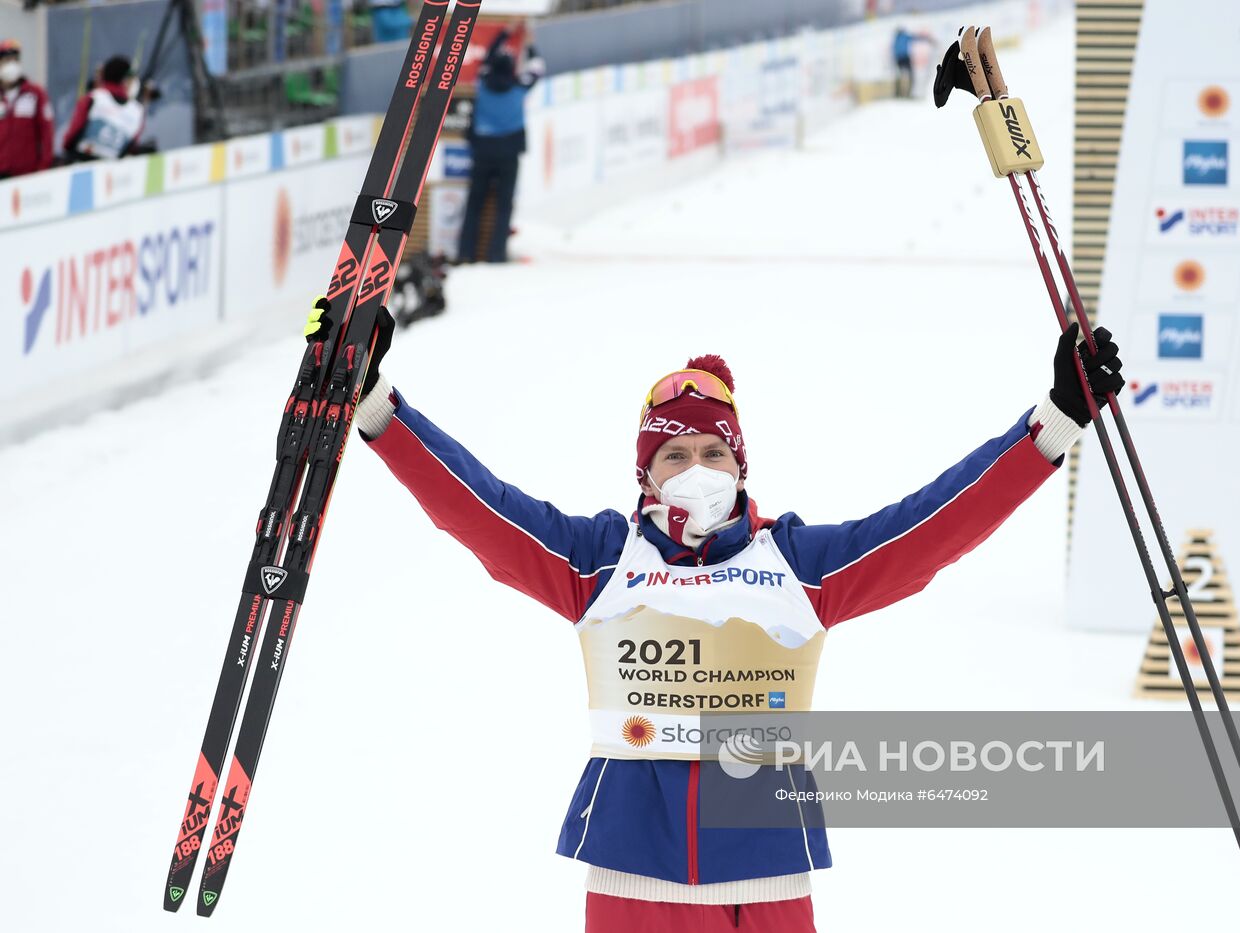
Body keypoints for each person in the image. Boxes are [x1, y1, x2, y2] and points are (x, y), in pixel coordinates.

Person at [303, 296, 1124, 930]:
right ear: (646, 474)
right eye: (674, 454)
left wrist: (1052, 425)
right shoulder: (598, 559)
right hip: (633, 868)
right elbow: (479, 508)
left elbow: (927, 529)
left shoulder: (798, 564)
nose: (696, 469)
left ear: (739, 462)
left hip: (765, 866)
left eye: (712, 453)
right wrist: (375, 403)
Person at [456, 25, 544, 264]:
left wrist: (505, 32)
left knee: (475, 203)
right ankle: (496, 255)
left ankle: (466, 253)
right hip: (509, 153)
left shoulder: (483, 82)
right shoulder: (520, 86)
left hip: (483, 150)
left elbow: (486, 56)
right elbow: (537, 67)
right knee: (504, 206)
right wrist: (530, 43)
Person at [62, 55, 146, 162]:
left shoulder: (93, 98)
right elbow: (131, 146)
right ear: (124, 80)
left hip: (80, 163)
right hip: (111, 169)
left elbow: (71, 136)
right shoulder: (138, 111)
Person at [0, 39, 54, 178]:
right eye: (6, 60)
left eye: (15, 60)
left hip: (27, 175)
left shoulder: (35, 94)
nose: (11, 65)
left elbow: (47, 132)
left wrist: (43, 167)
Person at [891, 27, 933, 99]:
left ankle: (898, 93)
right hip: (905, 58)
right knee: (910, 76)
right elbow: (915, 37)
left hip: (899, 60)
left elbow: (894, 50)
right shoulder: (905, 36)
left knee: (900, 76)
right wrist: (925, 38)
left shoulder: (896, 39)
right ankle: (908, 93)